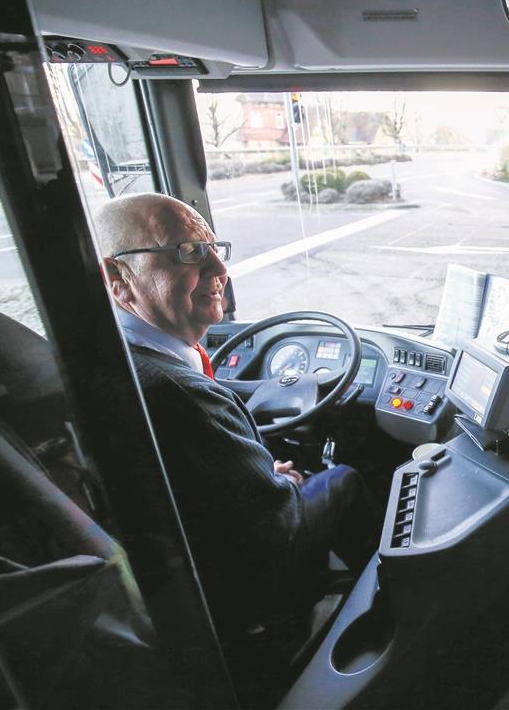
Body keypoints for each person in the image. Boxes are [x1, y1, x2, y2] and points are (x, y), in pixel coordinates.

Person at [93, 193, 381, 645]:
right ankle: (388, 610)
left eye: (213, 248)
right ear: (118, 277)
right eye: (187, 252)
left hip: (185, 564)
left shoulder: (112, 359)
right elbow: (277, 527)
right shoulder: (179, 394)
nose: (218, 270)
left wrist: (264, 476)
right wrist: (284, 486)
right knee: (341, 479)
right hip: (240, 588)